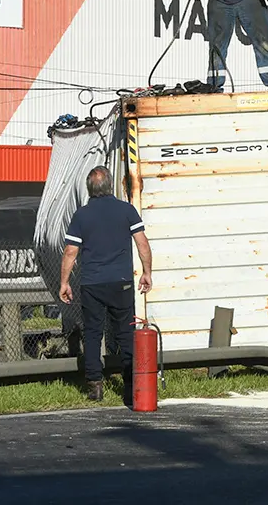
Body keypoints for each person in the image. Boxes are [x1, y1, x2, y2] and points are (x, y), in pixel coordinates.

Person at [59, 166, 153, 404]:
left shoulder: (81, 215)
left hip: (92, 284)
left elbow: (71, 251)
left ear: (89, 189)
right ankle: (132, 384)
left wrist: (64, 282)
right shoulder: (126, 210)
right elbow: (142, 243)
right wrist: (147, 273)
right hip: (121, 283)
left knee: (92, 334)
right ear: (110, 185)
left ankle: (95, 385)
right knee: (125, 332)